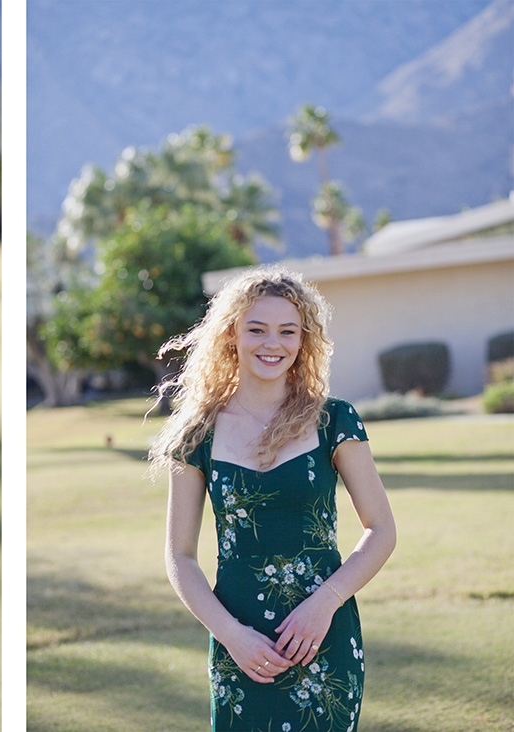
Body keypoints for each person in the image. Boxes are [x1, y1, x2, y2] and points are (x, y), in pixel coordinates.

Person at [150, 266, 395, 732]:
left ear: (304, 341)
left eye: (288, 331)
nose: (272, 343)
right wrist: (232, 637)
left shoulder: (334, 420)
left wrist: (326, 603)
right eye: (256, 329)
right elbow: (180, 556)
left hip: (323, 636)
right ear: (231, 336)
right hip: (240, 644)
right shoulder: (197, 434)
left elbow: (381, 530)